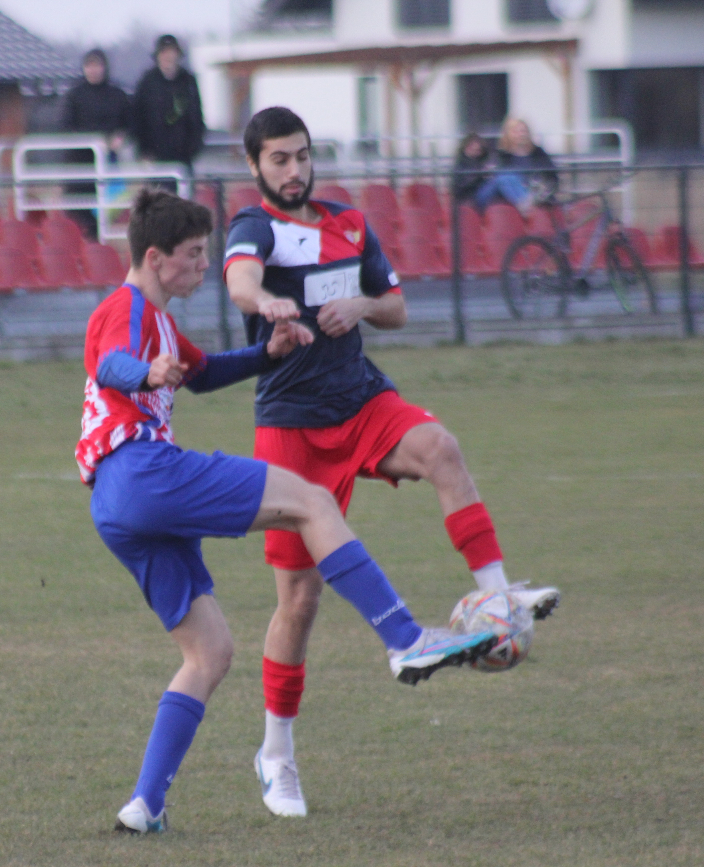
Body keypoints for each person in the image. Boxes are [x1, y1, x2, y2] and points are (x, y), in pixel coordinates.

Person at [80, 188, 499, 834]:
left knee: (210, 651)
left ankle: (145, 804)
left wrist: (265, 354)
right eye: (194, 256)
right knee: (313, 499)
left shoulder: (163, 324)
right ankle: (404, 638)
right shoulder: (127, 307)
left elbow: (204, 372)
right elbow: (110, 362)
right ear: (157, 258)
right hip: (142, 471)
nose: (202, 267)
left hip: (115, 506)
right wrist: (144, 373)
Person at [223, 107, 560, 818]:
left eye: (302, 156)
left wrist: (363, 306)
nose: (294, 169)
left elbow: (399, 307)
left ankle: (496, 595)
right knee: (299, 601)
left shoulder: (349, 221)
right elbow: (240, 281)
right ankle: (276, 753)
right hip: (291, 427)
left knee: (442, 447)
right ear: (254, 165)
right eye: (279, 159)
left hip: (362, 401)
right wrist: (267, 300)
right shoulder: (252, 227)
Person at [61, 48, 133, 239]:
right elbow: (67, 127)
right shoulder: (74, 96)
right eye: (89, 66)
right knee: (80, 215)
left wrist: (119, 138)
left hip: (109, 165)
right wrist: (91, 140)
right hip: (80, 167)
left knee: (107, 212)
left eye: (97, 65)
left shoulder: (117, 95)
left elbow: (129, 124)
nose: (94, 70)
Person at [130, 35, 206, 175]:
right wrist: (143, 151)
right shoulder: (147, 82)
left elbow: (196, 117)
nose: (168, 57)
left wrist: (194, 148)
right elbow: (137, 116)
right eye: (164, 52)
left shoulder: (188, 81)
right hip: (154, 157)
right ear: (157, 56)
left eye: (172, 52)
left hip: (183, 157)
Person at [473, 117, 559, 214]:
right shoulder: (500, 155)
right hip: (494, 195)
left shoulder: (539, 154)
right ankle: (526, 205)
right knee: (505, 176)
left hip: (531, 192)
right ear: (508, 133)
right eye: (516, 131)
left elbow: (551, 178)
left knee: (509, 178)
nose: (521, 134)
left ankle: (526, 203)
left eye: (523, 131)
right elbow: (490, 178)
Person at [452, 132, 492, 206]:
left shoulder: (483, 161)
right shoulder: (460, 164)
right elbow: (461, 187)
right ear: (465, 148)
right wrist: (480, 176)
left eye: (478, 150)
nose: (475, 151)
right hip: (472, 197)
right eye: (472, 148)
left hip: (484, 191)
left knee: (505, 178)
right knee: (502, 180)